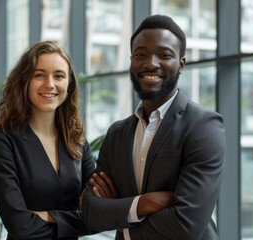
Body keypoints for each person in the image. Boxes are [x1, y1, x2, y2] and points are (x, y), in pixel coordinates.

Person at [81, 14, 226, 240]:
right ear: (131, 61)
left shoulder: (203, 126)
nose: (150, 63)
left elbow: (186, 225)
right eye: (140, 54)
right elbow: (90, 212)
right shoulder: (117, 133)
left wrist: (122, 218)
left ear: (181, 64)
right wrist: (144, 204)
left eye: (164, 55)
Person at [0, 41, 95, 240]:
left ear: (69, 85)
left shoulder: (76, 140)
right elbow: (20, 226)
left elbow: (98, 214)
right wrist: (77, 220)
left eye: (59, 76)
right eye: (39, 75)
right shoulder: (1, 141)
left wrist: (45, 216)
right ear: (24, 82)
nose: (50, 84)